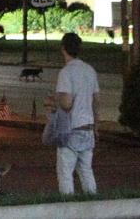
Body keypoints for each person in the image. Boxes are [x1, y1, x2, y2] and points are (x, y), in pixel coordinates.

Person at [53, 31, 100, 195]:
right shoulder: (90, 70)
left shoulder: (66, 72)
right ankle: (93, 207)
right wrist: (96, 127)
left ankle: (68, 209)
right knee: (86, 171)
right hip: (88, 129)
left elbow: (66, 104)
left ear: (63, 49)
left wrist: (55, 99)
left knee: (65, 174)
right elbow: (95, 101)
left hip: (71, 130)